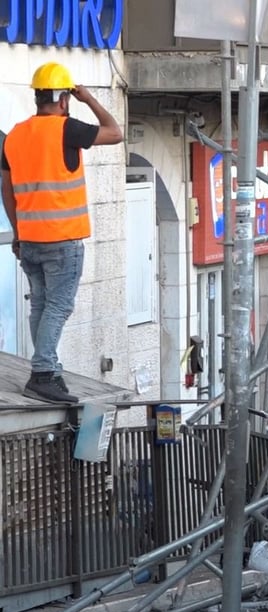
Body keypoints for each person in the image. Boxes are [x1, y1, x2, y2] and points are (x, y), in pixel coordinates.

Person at [1, 62, 124, 403]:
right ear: (64, 99)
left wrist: (18, 232)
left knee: (40, 304)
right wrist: (89, 99)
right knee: (58, 306)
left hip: (30, 241)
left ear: (38, 96)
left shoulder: (14, 135)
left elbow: (7, 190)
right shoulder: (66, 129)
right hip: (63, 239)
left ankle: (49, 369)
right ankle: (42, 373)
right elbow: (115, 132)